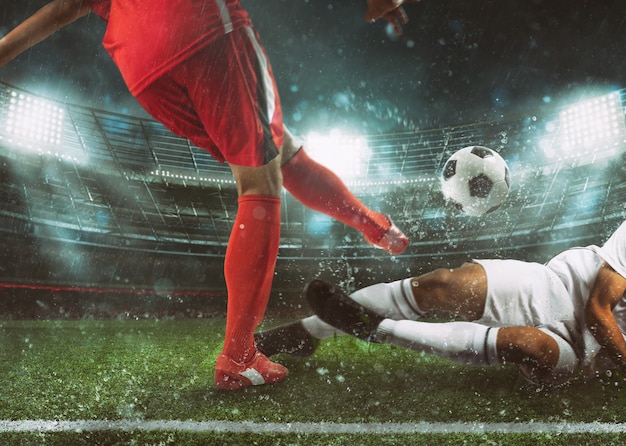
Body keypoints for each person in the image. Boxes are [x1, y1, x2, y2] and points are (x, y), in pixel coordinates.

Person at [0, 0, 419, 390]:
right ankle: (238, 356)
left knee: (276, 152)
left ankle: (371, 223)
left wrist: (4, 48)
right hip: (201, 26)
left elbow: (67, 5)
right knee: (259, 181)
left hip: (143, 65)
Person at [256, 221, 626, 386]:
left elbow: (595, 328)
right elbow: (598, 310)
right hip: (556, 286)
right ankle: (306, 333)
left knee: (525, 344)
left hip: (582, 352)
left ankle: (377, 330)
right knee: (442, 284)